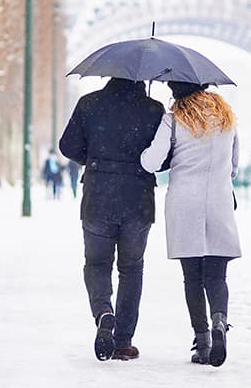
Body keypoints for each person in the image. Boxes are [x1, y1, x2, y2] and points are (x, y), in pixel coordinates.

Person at [59, 77, 165, 361]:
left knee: (96, 263)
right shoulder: (153, 109)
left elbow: (67, 146)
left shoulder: (89, 103)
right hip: (138, 200)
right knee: (131, 269)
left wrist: (96, 159)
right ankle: (122, 341)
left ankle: (103, 311)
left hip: (98, 197)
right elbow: (163, 158)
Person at [139, 81, 242, 368]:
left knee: (192, 277)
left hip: (185, 203)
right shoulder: (227, 119)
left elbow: (151, 163)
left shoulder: (173, 120)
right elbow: (234, 167)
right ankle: (219, 321)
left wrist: (149, 151)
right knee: (217, 276)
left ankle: (203, 342)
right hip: (219, 202)